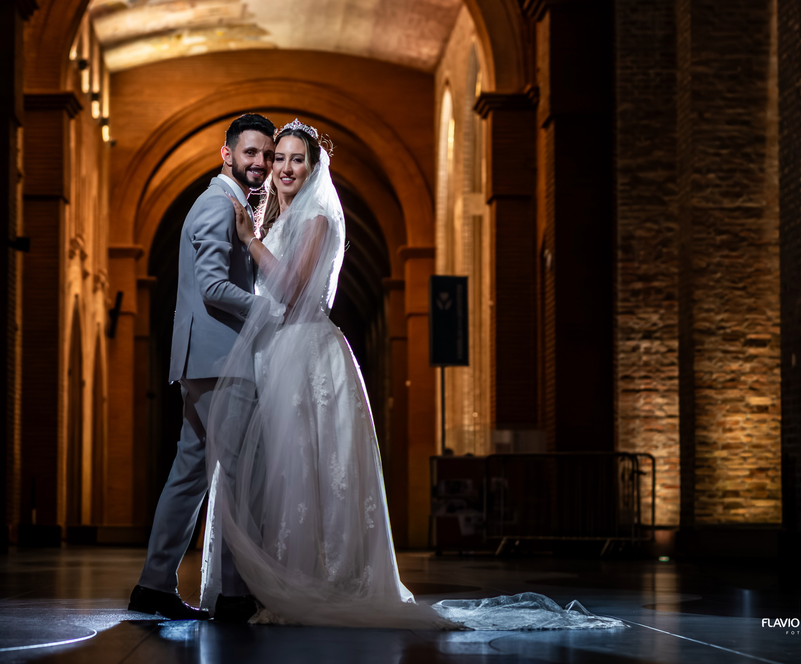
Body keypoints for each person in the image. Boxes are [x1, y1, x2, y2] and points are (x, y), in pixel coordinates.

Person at [199, 119, 624, 632]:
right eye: (280, 158)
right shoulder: (280, 221)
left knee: (309, 472)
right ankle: (273, 579)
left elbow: (289, 291)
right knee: (283, 477)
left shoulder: (315, 220)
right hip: (276, 356)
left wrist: (249, 241)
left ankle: (318, 582)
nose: (285, 168)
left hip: (309, 358)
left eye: (297, 160)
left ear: (313, 169)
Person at [127, 113, 276, 624]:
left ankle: (153, 584)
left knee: (189, 474)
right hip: (221, 361)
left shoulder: (230, 203)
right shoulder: (218, 203)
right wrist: (268, 310)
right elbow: (213, 286)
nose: (259, 163)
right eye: (250, 153)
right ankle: (234, 594)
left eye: (266, 154)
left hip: (204, 359)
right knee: (236, 477)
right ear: (227, 154)